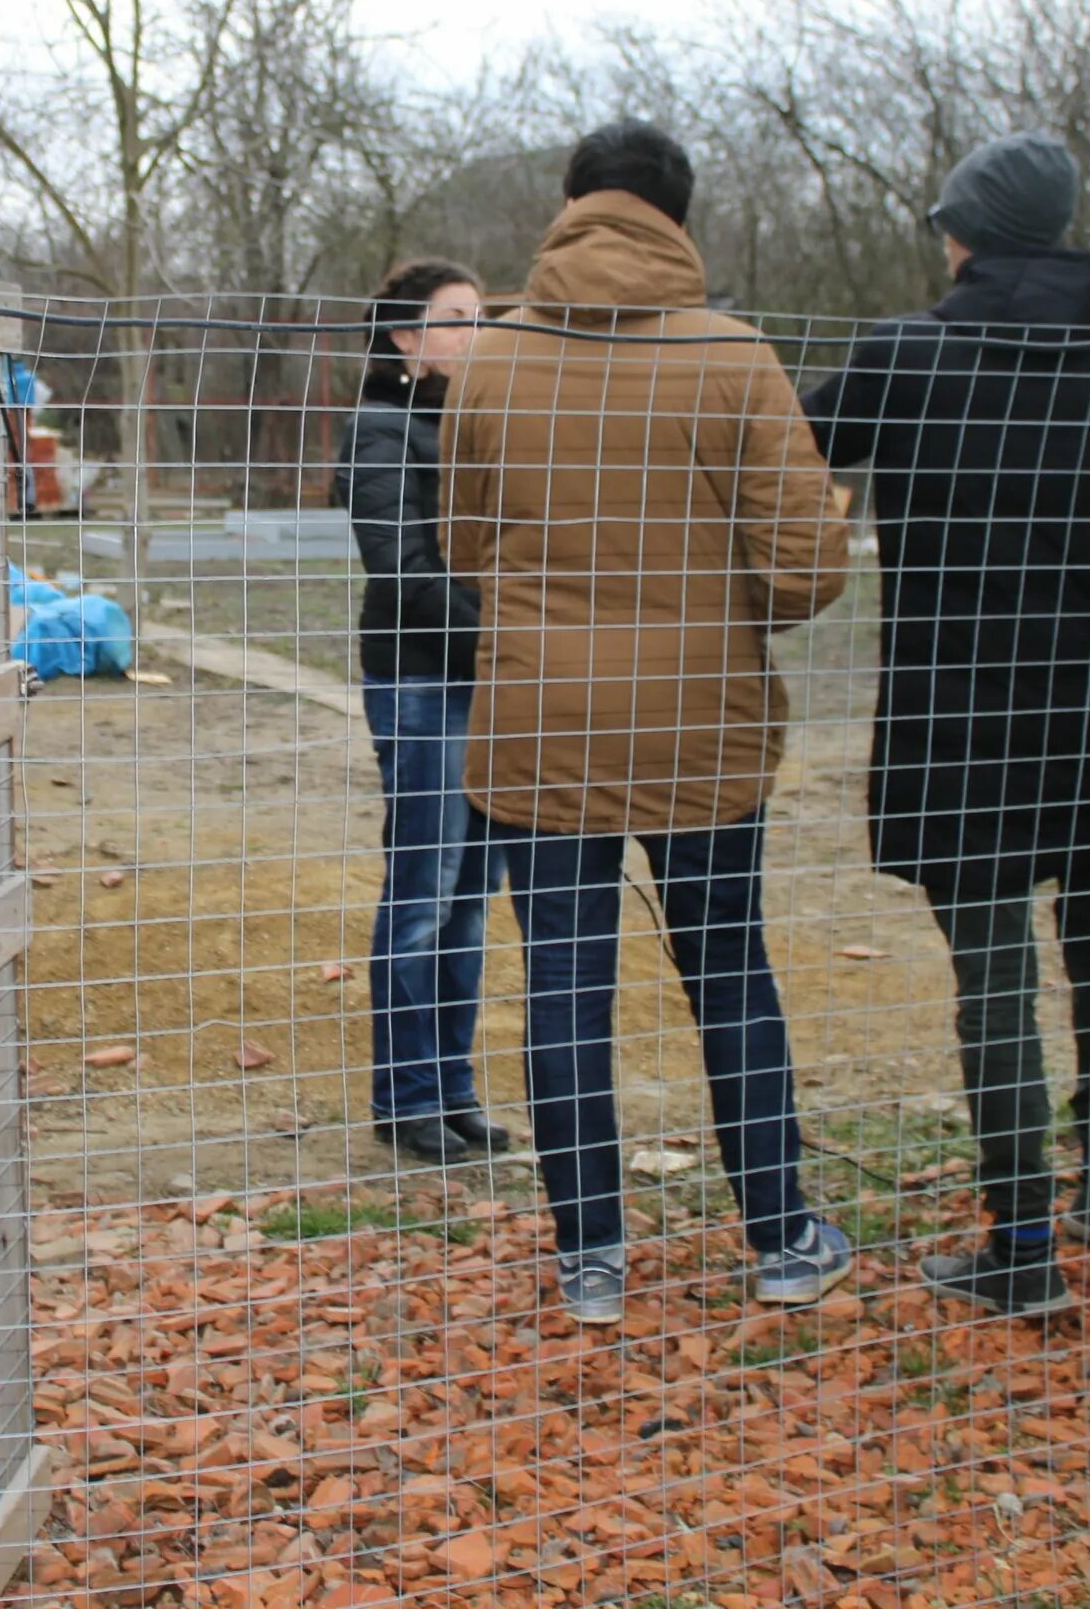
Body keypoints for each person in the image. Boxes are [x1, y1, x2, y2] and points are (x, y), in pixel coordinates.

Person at [802, 133, 1090, 1318]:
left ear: (968, 232)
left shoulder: (907, 354)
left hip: (959, 742)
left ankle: (1022, 1239)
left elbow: (784, 448)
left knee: (992, 972)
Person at [443, 119, 853, 1324]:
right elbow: (804, 569)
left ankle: (592, 1261)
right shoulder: (737, 357)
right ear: (680, 215)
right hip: (701, 724)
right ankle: (781, 1234)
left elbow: (464, 546)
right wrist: (722, 596)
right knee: (729, 969)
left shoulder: (496, 359)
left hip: (539, 721)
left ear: (571, 207)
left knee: (564, 985)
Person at [330, 260, 512, 1167]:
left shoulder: (470, 424)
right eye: (455, 319)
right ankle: (404, 1099)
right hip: (424, 683)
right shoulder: (381, 429)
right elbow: (401, 569)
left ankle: (453, 1089)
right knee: (424, 895)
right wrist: (505, 640)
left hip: (484, 686)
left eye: (482, 317)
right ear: (405, 339)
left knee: (472, 902)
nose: (475, 333)